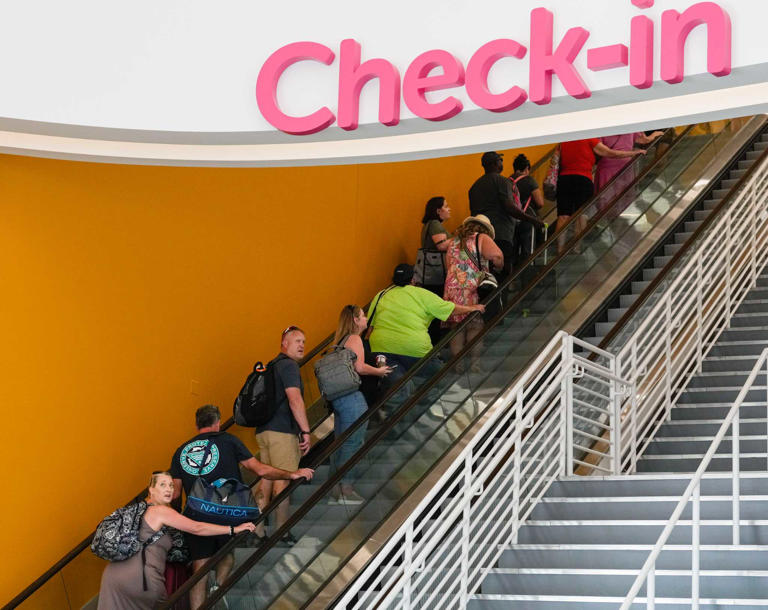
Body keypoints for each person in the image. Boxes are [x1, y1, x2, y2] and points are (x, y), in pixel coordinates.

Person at [170, 405, 313, 609]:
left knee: (199, 570)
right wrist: (291, 474)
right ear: (218, 423)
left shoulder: (181, 451)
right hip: (227, 512)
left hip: (196, 518)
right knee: (227, 556)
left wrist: (175, 519)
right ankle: (217, 589)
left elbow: (175, 493)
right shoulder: (229, 441)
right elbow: (259, 469)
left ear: (196, 425)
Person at [97, 471, 258, 610]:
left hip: (113, 576)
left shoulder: (132, 511)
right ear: (151, 489)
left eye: (171, 486)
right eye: (163, 485)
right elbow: (196, 528)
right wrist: (233, 529)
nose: (169, 489)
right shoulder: (160, 511)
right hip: (142, 579)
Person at [367, 263, 485, 401]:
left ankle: (397, 412)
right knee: (441, 375)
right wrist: (472, 308)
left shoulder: (381, 294)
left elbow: (370, 327)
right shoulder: (421, 294)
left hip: (381, 350)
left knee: (397, 384)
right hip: (414, 350)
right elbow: (449, 309)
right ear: (412, 279)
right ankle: (425, 407)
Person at [328, 305, 393, 505]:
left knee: (340, 442)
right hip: (352, 398)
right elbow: (360, 368)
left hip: (338, 399)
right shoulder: (355, 339)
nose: (366, 319)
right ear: (355, 320)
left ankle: (334, 490)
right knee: (353, 443)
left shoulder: (339, 341)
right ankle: (346, 489)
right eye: (363, 315)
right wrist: (379, 372)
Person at [255, 326, 312, 546]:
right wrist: (305, 430)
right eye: (297, 341)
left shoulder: (271, 366)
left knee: (266, 480)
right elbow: (295, 400)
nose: (302, 345)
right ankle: (282, 532)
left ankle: (257, 531)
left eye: (304, 341)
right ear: (284, 343)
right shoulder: (288, 366)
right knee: (285, 481)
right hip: (281, 432)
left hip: (264, 431)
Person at [469, 151, 546, 278]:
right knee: (504, 273)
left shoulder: (474, 187)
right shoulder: (502, 182)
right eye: (500, 160)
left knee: (485, 275)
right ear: (495, 163)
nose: (502, 163)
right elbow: (510, 207)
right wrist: (532, 220)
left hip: (480, 238)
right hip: (501, 234)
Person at [555, 138, 647, 237]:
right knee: (581, 215)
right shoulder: (590, 139)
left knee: (563, 216)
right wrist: (633, 153)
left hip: (564, 180)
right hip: (583, 179)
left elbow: (554, 162)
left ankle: (559, 250)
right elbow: (610, 153)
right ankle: (576, 248)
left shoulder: (563, 142)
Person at [443, 216, 504, 366]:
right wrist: (498, 266)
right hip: (472, 287)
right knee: (475, 327)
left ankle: (457, 365)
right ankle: (475, 364)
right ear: (485, 228)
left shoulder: (453, 241)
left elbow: (448, 264)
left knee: (456, 329)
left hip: (452, 288)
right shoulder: (481, 237)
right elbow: (496, 256)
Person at [596, 131, 664, 194]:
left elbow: (604, 151)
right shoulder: (630, 127)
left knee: (606, 195)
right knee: (625, 193)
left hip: (607, 167)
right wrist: (654, 134)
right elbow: (644, 140)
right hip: (625, 166)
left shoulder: (602, 130)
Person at [510, 154, 545, 264]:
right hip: (527, 219)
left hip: (511, 221)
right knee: (527, 249)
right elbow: (540, 203)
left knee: (514, 250)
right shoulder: (529, 180)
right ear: (526, 168)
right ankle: (527, 274)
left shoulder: (507, 181)